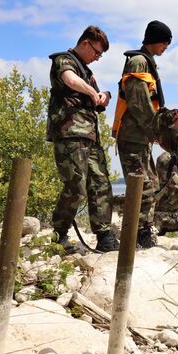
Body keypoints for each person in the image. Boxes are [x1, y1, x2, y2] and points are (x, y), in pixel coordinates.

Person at [47, 25, 119, 252]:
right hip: (70, 133)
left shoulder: (86, 72)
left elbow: (96, 99)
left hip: (90, 135)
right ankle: (59, 234)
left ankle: (105, 236)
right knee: (76, 186)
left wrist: (104, 95)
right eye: (97, 52)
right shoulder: (64, 60)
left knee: (100, 184)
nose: (97, 58)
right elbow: (69, 80)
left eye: (100, 55)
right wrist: (91, 91)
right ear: (85, 43)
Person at [112, 20, 172, 248]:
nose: (165, 47)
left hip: (141, 136)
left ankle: (143, 230)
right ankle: (138, 235)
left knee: (150, 184)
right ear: (156, 40)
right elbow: (138, 101)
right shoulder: (138, 62)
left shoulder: (147, 62)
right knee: (142, 186)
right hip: (132, 136)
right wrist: (155, 129)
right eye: (165, 43)